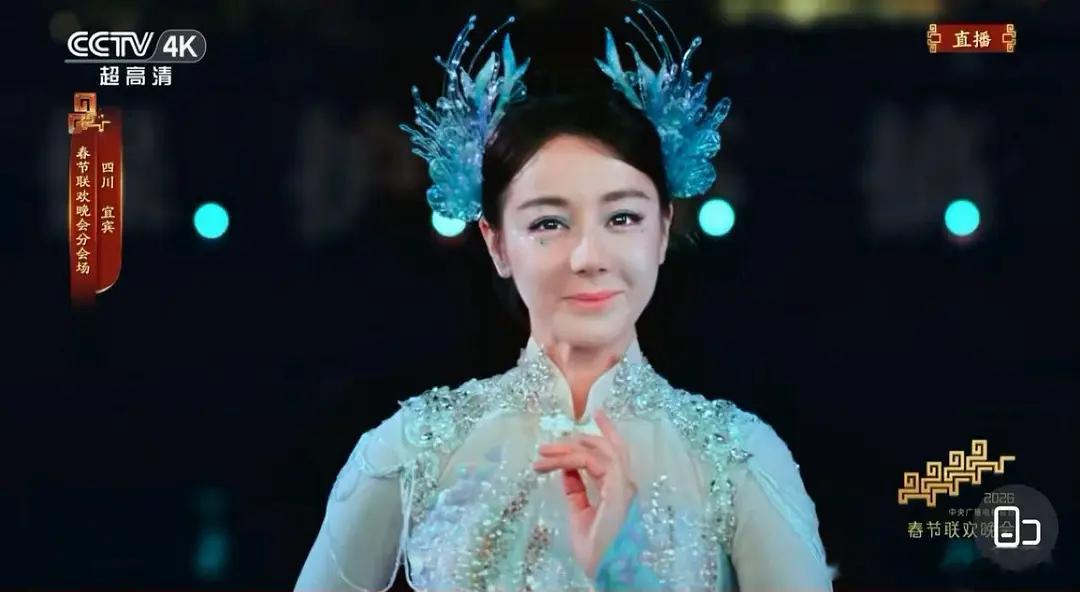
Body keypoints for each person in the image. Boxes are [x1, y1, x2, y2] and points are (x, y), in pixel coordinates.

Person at [296, 10, 835, 591]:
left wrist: (624, 567)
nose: (588, 256)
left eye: (622, 218)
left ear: (662, 230)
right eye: (549, 223)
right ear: (497, 243)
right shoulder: (414, 448)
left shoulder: (738, 458)